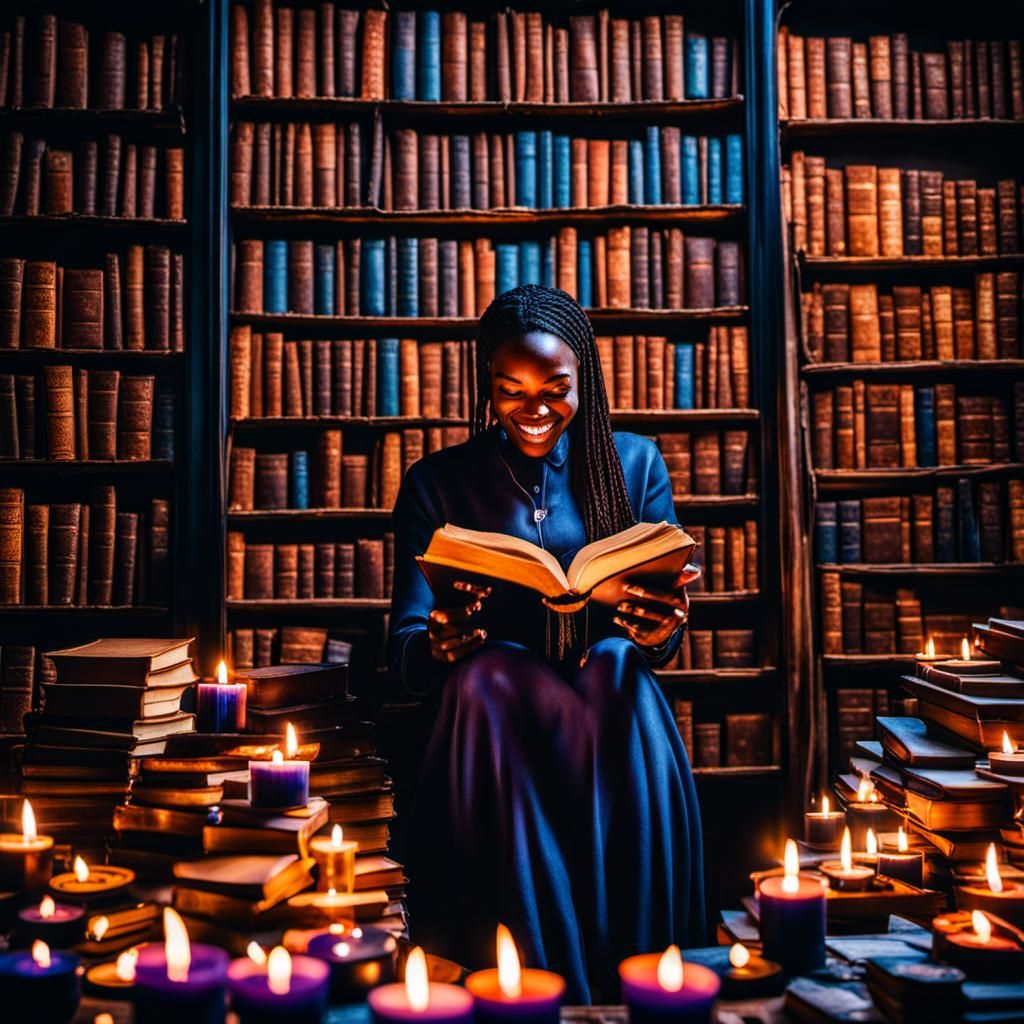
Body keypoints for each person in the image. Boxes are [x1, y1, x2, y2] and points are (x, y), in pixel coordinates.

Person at [387, 284, 705, 1003]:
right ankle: (532, 978)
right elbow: (401, 643)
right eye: (510, 390)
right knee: (488, 676)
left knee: (620, 664)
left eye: (556, 389)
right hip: (497, 724)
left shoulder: (636, 465)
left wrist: (662, 630)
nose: (535, 409)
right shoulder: (436, 482)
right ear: (487, 387)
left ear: (583, 380)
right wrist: (438, 644)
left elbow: (662, 620)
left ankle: (635, 976)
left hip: (606, 710)